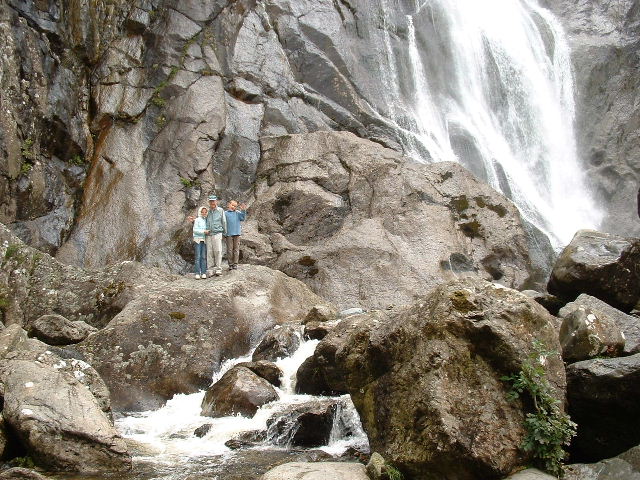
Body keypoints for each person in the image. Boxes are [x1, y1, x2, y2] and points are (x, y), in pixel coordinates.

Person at [189, 194, 227, 276]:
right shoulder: (208, 211)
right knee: (209, 252)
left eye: (213, 201)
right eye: (211, 201)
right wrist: (194, 221)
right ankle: (210, 268)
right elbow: (202, 219)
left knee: (218, 251)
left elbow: (224, 221)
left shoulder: (220, 210)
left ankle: (218, 268)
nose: (212, 202)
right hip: (208, 234)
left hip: (217, 233)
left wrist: (225, 233)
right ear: (209, 202)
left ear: (216, 201)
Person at [224, 200, 247, 270]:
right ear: (229, 205)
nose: (233, 207)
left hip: (237, 233)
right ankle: (230, 264)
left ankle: (235, 264)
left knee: (236, 249)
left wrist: (243, 210)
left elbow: (243, 218)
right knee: (229, 250)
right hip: (229, 234)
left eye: (235, 206)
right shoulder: (225, 213)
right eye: (232, 205)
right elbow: (223, 222)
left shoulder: (237, 213)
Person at [192, 206, 209, 279]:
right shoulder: (197, 220)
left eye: (205, 212)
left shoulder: (206, 220)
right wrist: (203, 232)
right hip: (198, 239)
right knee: (198, 256)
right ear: (200, 212)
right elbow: (195, 230)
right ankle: (197, 273)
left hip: (204, 240)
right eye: (203, 212)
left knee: (203, 257)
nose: (204, 213)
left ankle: (203, 272)